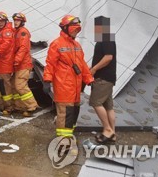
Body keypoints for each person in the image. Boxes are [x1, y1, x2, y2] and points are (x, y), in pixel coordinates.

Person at [43, 15, 94, 138]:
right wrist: (47, 80)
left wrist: (89, 80)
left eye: (77, 30)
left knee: (74, 112)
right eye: (74, 29)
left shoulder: (77, 45)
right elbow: (50, 64)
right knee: (65, 113)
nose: (76, 32)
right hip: (63, 85)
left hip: (75, 87)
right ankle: (63, 141)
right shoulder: (56, 44)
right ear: (65, 28)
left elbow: (82, 65)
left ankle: (68, 136)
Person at [89, 16, 117, 144]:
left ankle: (107, 129)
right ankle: (112, 133)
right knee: (108, 106)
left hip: (103, 78)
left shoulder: (106, 38)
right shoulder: (105, 39)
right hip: (108, 78)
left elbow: (108, 57)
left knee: (96, 102)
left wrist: (94, 69)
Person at [11, 13, 39, 117]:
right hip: (18, 65)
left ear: (22, 22)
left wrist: (16, 60)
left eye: (18, 20)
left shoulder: (23, 32)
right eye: (15, 20)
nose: (16, 22)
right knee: (15, 86)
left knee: (20, 86)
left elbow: (23, 48)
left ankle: (32, 106)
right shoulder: (16, 32)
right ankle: (20, 106)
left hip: (23, 64)